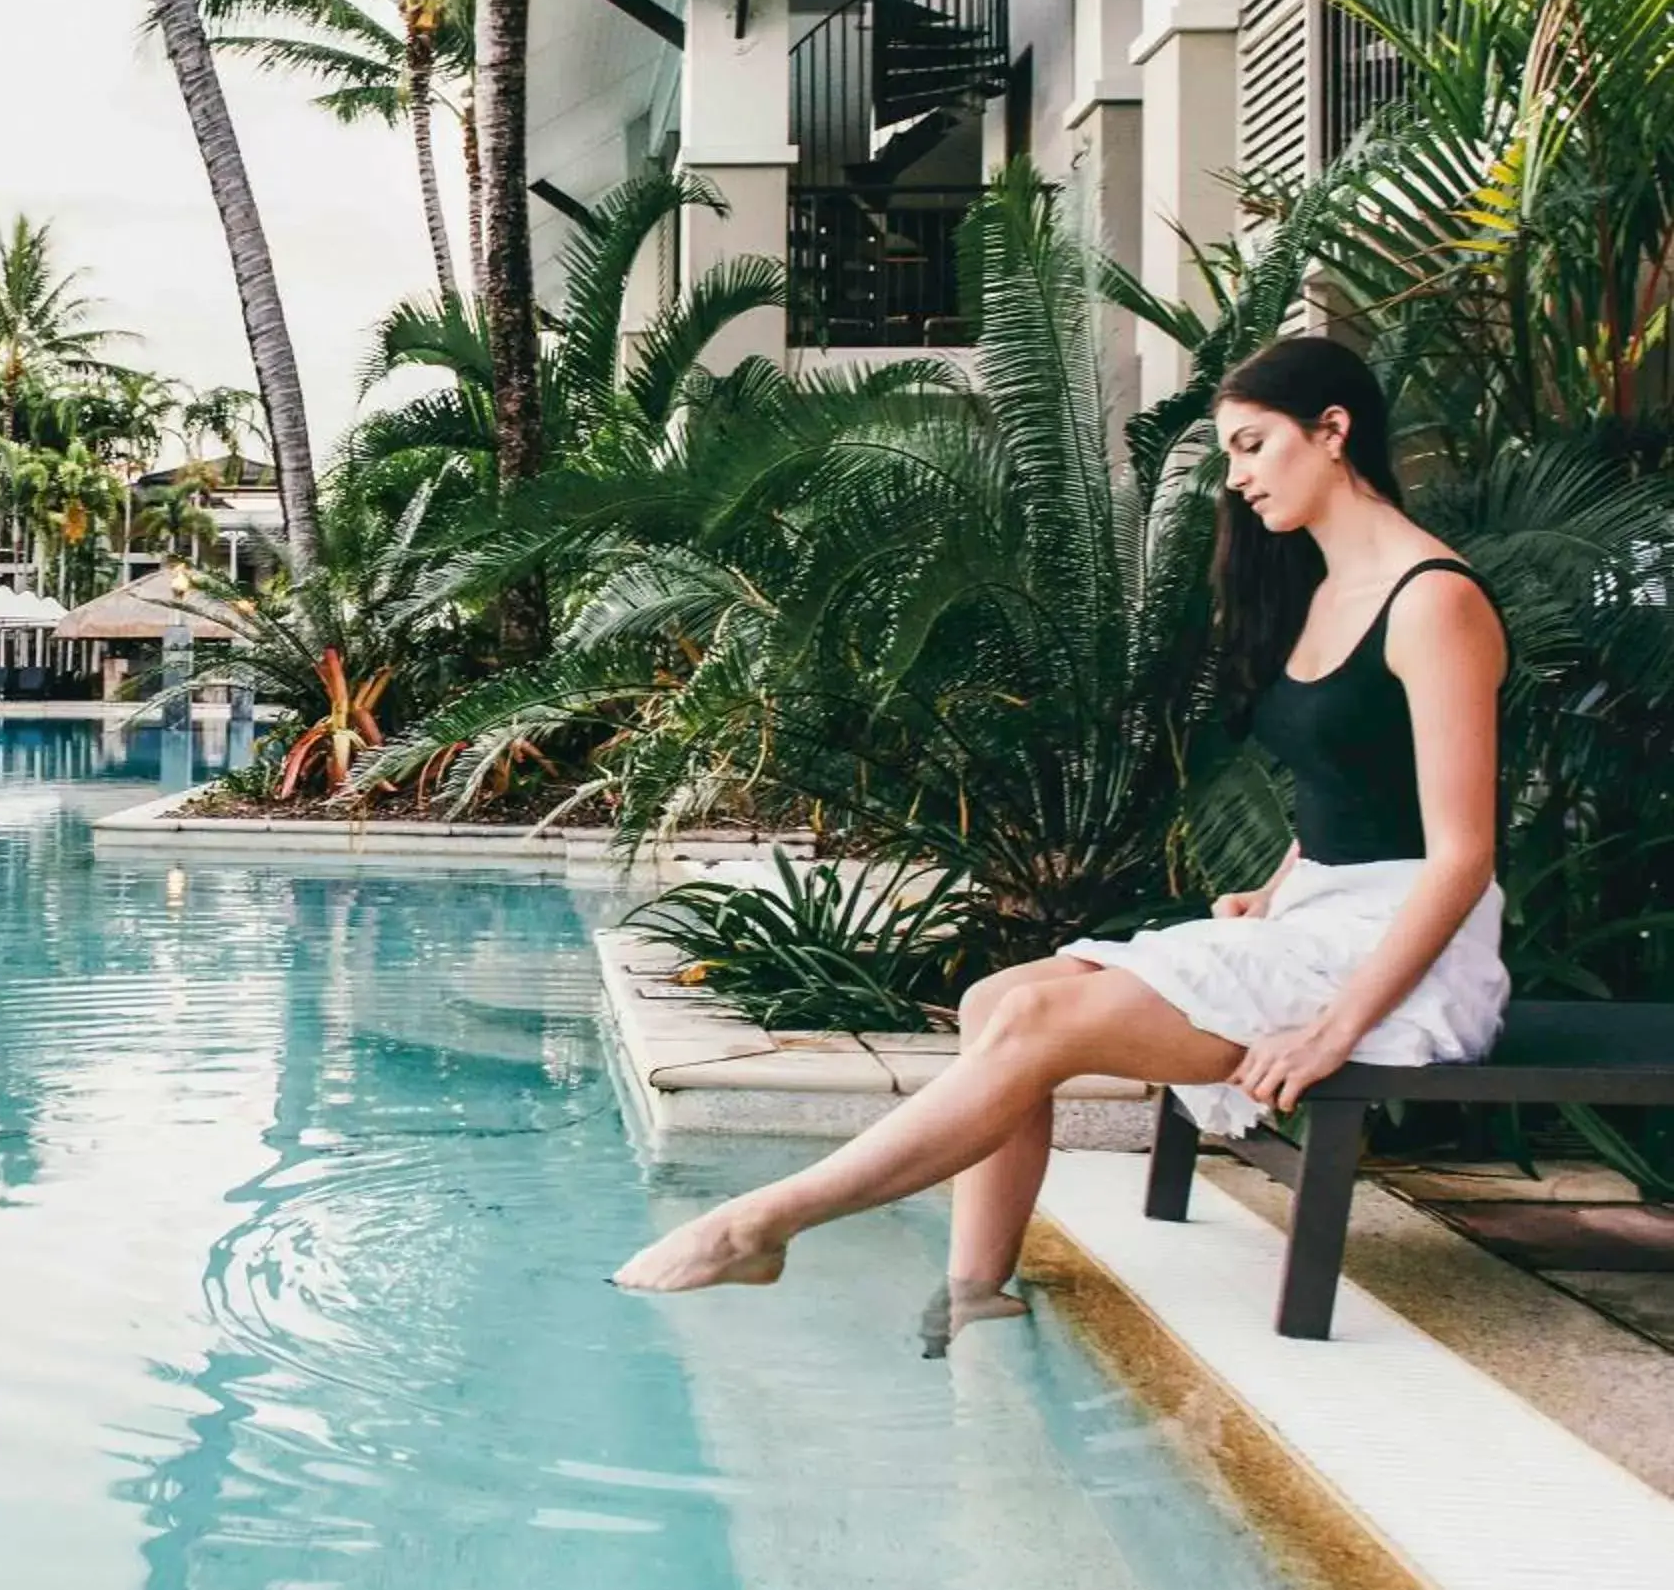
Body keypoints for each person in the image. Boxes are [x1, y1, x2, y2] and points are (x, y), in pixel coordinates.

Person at [613, 336, 1512, 1309]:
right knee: (994, 1002)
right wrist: (1282, 883)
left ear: (1333, 429)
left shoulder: (1437, 603)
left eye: (1254, 445)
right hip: (1318, 924)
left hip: (1408, 959)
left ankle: (761, 1223)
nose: (1239, 477)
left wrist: (1337, 1031)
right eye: (1231, 455)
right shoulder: (1321, 591)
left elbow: (1459, 854)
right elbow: (1355, 789)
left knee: (1040, 1019)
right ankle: (973, 1294)